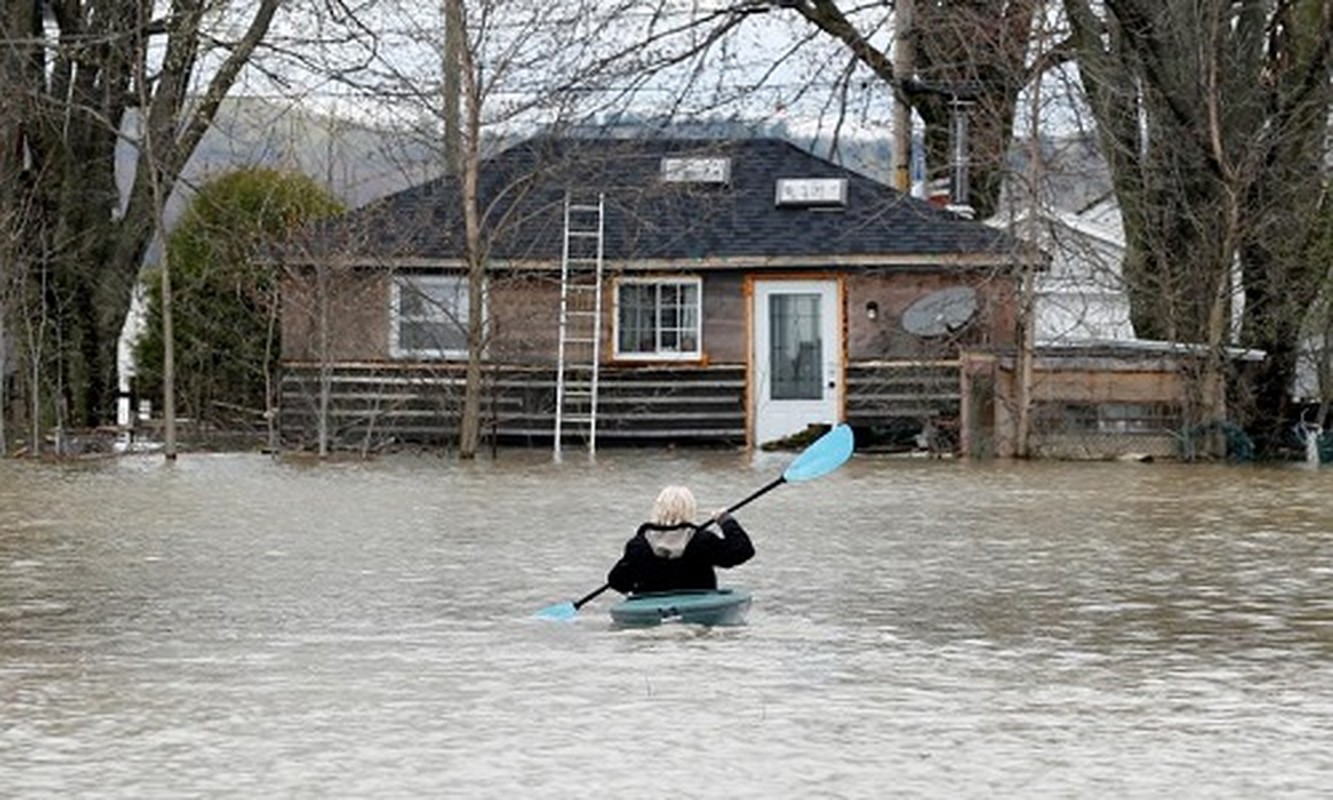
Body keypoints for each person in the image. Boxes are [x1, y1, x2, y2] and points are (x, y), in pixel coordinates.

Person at [607, 485, 755, 595]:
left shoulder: (638, 545)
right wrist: (725, 520)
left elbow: (617, 582)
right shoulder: (702, 540)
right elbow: (743, 550)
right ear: (690, 510)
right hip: (698, 606)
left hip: (652, 606)